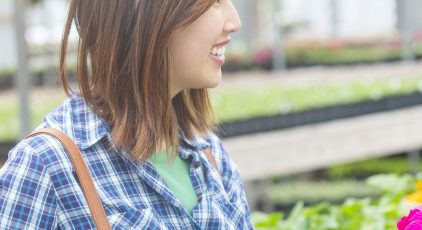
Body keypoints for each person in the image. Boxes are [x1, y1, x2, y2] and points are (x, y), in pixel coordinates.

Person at [0, 0, 250, 228]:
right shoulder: (45, 165)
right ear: (148, 11)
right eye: (215, 1)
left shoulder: (210, 156)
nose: (234, 21)